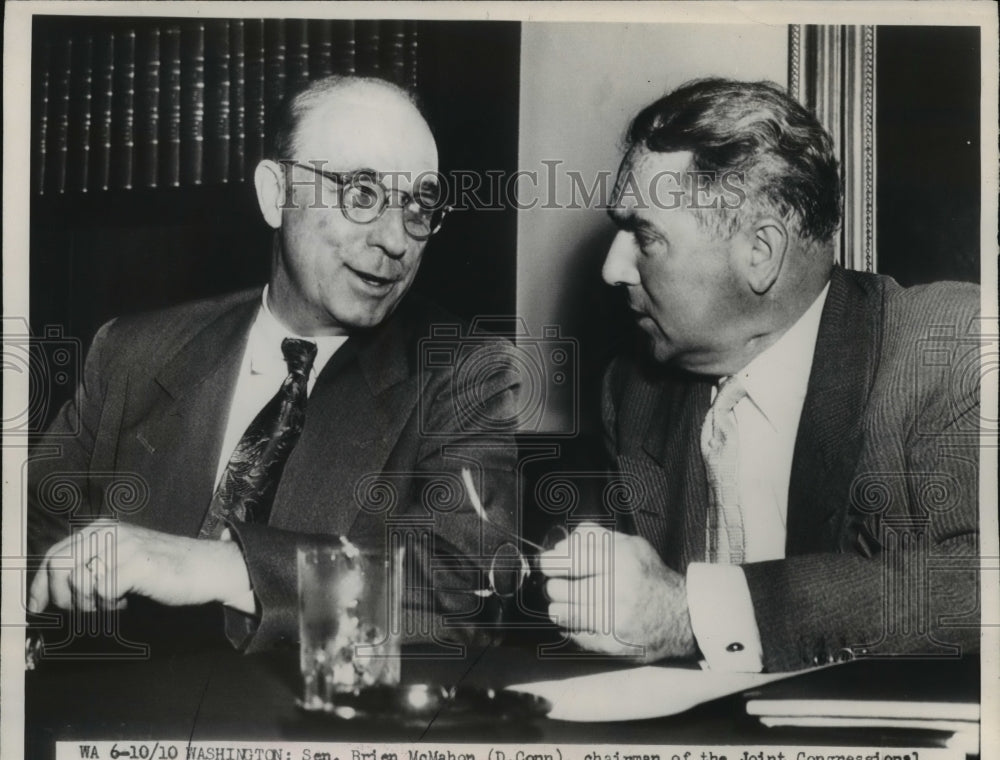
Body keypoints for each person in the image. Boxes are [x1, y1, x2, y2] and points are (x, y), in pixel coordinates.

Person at [27, 75, 521, 656]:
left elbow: (471, 582)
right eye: (363, 193)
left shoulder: (465, 374)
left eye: (420, 205)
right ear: (275, 193)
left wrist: (223, 568)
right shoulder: (130, 353)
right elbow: (27, 540)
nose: (397, 239)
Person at [539, 78, 981, 672]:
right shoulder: (634, 393)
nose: (612, 268)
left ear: (760, 253)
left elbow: (981, 584)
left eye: (644, 236)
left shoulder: (947, 344)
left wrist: (694, 612)